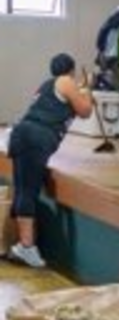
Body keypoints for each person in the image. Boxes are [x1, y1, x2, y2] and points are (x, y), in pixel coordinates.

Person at [7, 54, 94, 268]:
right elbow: (85, 111)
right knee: (28, 191)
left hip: (21, 134)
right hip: (36, 137)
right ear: (71, 70)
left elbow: (66, 100)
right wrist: (88, 91)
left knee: (21, 189)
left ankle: (22, 244)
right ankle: (26, 247)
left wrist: (80, 89)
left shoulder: (47, 85)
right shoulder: (66, 81)